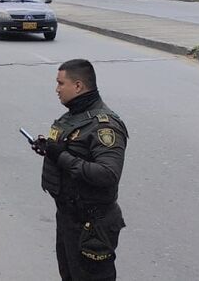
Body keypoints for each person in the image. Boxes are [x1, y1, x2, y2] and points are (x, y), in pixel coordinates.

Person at [30, 59, 127, 281]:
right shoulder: (75, 116)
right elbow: (73, 149)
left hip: (92, 225)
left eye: (60, 83)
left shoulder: (104, 126)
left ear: (78, 86)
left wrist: (61, 156)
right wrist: (49, 149)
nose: (56, 89)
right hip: (69, 217)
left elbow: (108, 174)